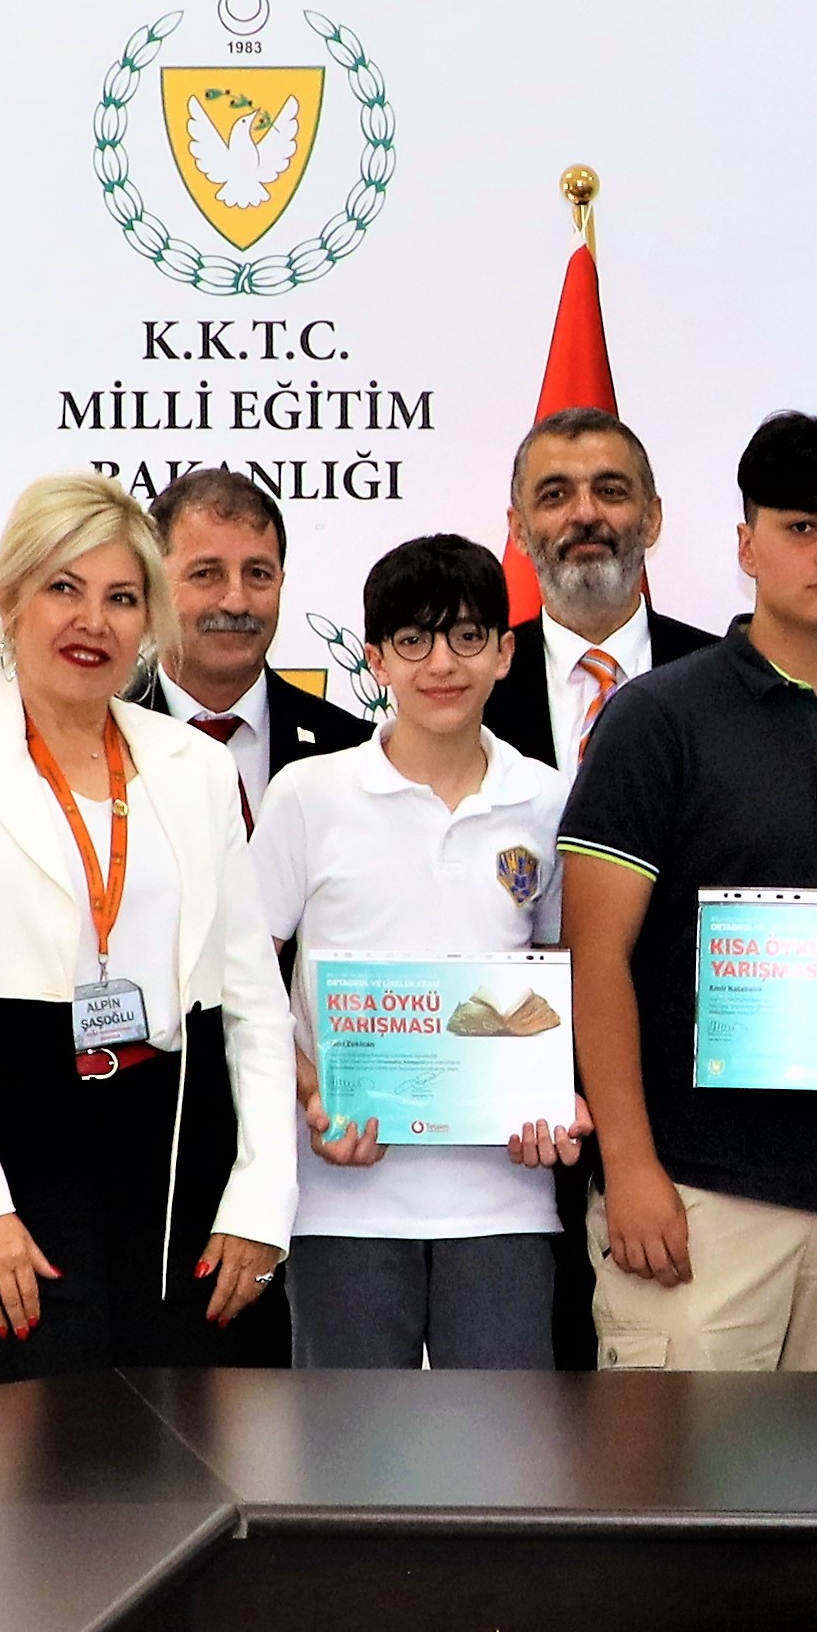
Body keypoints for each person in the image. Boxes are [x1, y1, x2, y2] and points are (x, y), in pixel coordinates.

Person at [0, 476, 298, 1382]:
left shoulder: (195, 767)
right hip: (6, 1148)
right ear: (10, 598)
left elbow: (254, 1001)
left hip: (178, 1157)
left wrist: (259, 1200)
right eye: (64, 588)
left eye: (121, 598)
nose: (93, 622)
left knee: (193, 1446)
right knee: (29, 1452)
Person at [559, 415, 817, 1369]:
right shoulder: (658, 716)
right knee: (682, 1465)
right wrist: (630, 1166)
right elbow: (595, 956)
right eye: (800, 527)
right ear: (746, 545)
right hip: (696, 1196)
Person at [245, 534, 581, 1366]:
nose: (441, 664)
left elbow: (566, 978)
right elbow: (239, 976)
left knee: (506, 1442)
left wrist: (561, 1098)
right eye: (413, 640)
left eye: (467, 637)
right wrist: (313, 1091)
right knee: (348, 1442)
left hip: (505, 1198)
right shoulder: (308, 795)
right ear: (375, 660)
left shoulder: (545, 800)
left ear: (505, 653)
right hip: (341, 1197)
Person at [130, 465, 370, 828]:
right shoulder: (98, 742)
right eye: (206, 574)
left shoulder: (352, 751)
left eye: (258, 574)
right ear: (153, 583)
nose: (236, 602)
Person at [489, 408, 712, 772]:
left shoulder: (726, 680)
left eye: (610, 492)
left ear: (652, 519)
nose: (585, 514)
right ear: (518, 530)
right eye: (555, 495)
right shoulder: (478, 688)